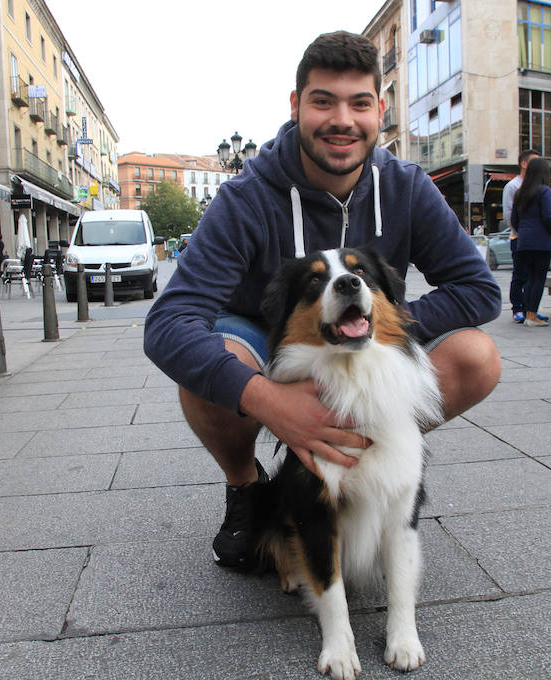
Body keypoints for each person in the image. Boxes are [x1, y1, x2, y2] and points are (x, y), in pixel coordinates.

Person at [143, 31, 503, 570]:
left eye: (359, 103)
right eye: (323, 101)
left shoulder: (406, 187)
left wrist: (386, 327)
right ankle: (247, 487)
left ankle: (361, 461)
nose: (343, 120)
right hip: (269, 343)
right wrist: (268, 399)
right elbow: (168, 323)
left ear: (379, 110)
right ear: (296, 106)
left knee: (478, 357)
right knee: (207, 367)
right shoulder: (246, 196)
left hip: (361, 341)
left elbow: (479, 290)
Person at [510, 157, 551, 327]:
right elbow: (548, 216)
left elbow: (514, 219)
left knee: (529, 278)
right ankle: (532, 315)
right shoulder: (544, 191)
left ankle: (529, 313)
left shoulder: (520, 192)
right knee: (539, 278)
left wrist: (523, 231)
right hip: (541, 241)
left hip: (524, 241)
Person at [502, 149, 546, 323]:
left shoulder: (539, 187)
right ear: (524, 163)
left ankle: (531, 310)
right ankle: (518, 309)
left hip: (534, 239)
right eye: (535, 161)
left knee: (534, 276)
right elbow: (509, 216)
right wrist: (523, 232)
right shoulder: (512, 186)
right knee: (520, 275)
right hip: (519, 238)